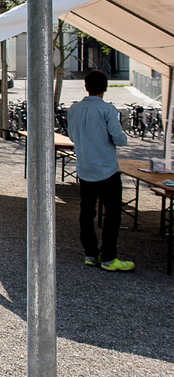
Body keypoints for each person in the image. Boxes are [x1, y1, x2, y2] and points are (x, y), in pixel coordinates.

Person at [67, 69, 132, 271]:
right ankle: (108, 257)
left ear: (86, 87)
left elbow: (72, 136)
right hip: (107, 169)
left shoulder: (74, 109)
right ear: (105, 88)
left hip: (85, 168)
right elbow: (118, 138)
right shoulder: (107, 110)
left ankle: (90, 253)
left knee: (86, 213)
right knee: (112, 214)